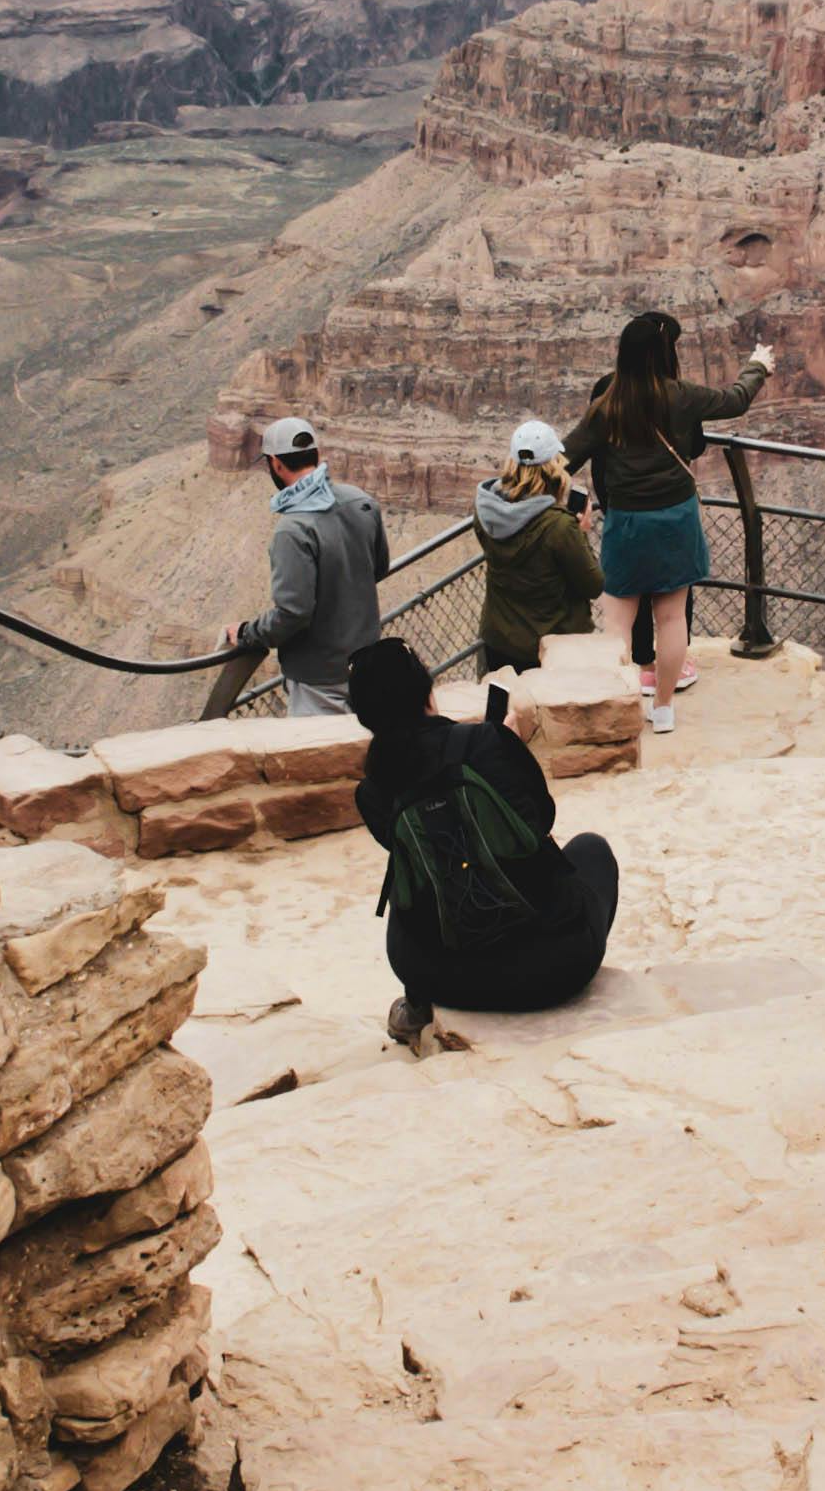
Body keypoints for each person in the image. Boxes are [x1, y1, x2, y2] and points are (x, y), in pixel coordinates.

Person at [346, 634, 619, 1046]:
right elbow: (541, 820)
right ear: (427, 691)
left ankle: (415, 1008)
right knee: (592, 850)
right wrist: (506, 745)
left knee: (410, 895)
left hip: (441, 976)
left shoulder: (372, 791)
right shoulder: (487, 742)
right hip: (557, 967)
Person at [562, 310, 770, 733]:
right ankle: (663, 710)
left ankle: (620, 708)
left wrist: (561, 498)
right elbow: (735, 400)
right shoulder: (681, 395)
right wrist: (758, 366)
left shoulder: (608, 405)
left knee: (618, 622)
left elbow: (564, 458)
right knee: (672, 619)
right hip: (676, 518)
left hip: (627, 522)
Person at [225, 416, 388, 713]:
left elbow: (293, 612)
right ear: (315, 454)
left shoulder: (293, 529)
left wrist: (248, 632)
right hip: (370, 665)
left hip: (320, 680)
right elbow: (378, 568)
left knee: (325, 756)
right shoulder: (362, 502)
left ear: (275, 464)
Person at [472, 417, 603, 674]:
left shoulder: (486, 511)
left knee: (509, 712)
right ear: (554, 467)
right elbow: (594, 585)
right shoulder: (560, 527)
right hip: (551, 650)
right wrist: (582, 533)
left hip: (499, 643)